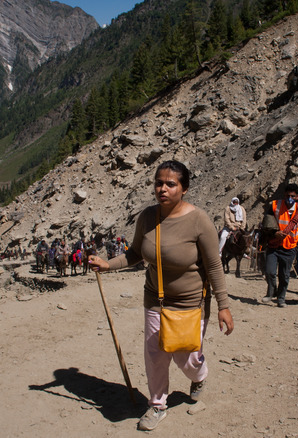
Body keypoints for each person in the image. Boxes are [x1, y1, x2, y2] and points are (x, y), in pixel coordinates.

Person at [88, 160, 234, 431]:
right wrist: (109, 264)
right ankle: (157, 405)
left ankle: (198, 375)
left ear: (185, 188)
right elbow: (134, 253)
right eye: (158, 183)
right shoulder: (147, 217)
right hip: (155, 299)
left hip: (192, 303)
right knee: (156, 354)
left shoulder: (199, 220)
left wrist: (223, 306)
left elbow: (214, 266)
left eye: (170, 184)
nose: (162, 189)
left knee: (186, 359)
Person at [261, 183, 298, 308]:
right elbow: (266, 224)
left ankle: (281, 298)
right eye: (287, 195)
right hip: (274, 245)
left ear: (297, 196)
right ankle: (271, 291)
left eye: (292, 196)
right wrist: (274, 233)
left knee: (284, 275)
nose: (289, 198)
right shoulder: (275, 205)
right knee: (270, 271)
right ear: (284, 195)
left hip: (290, 248)